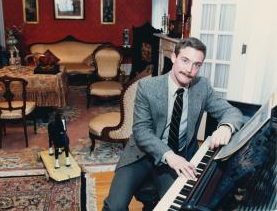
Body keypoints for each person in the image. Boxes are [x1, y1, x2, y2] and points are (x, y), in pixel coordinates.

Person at [102, 37, 244, 210]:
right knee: (114, 207)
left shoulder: (202, 87)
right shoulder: (148, 87)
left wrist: (226, 127)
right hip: (141, 155)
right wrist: (169, 155)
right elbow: (141, 131)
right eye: (185, 61)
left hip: (181, 155)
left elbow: (232, 112)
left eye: (196, 64)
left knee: (178, 205)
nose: (189, 70)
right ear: (174, 58)